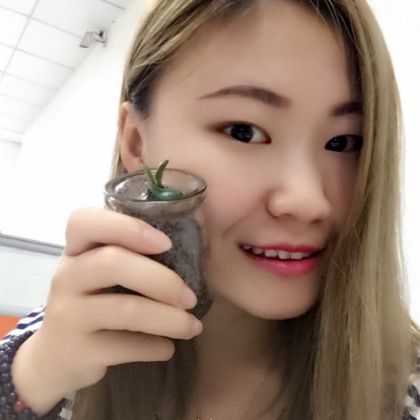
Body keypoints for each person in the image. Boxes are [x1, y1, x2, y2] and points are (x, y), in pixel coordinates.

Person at [1, 0, 419, 419]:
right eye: (243, 131)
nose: (308, 200)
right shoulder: (54, 353)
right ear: (137, 143)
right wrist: (29, 382)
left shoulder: (403, 388)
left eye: (344, 142)